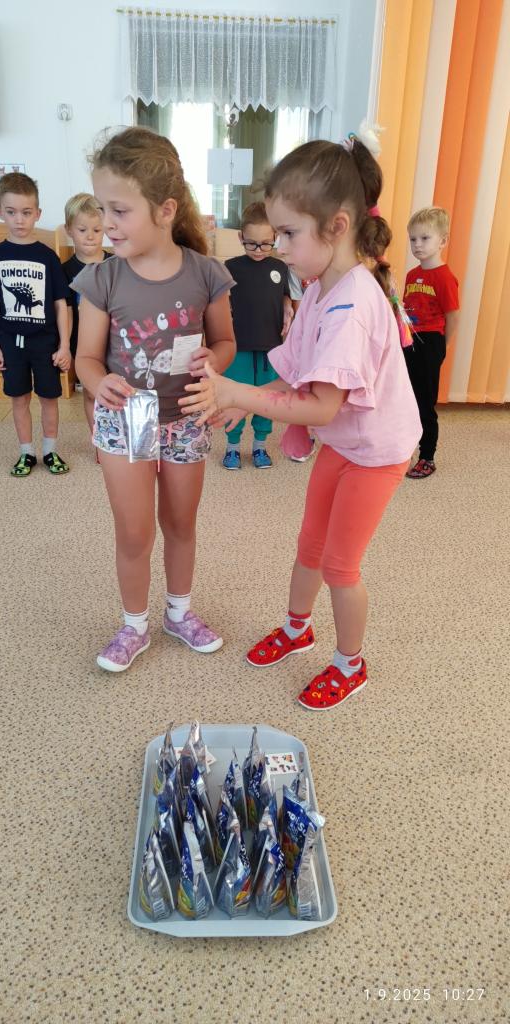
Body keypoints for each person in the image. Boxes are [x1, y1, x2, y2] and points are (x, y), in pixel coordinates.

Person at [181, 129, 422, 711]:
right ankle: (297, 629)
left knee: (340, 565)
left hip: (377, 451)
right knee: (309, 544)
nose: (280, 246)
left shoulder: (352, 306)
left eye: (289, 233)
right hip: (344, 440)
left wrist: (237, 389)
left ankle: (351, 664)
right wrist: (242, 401)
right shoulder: (317, 290)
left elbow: (319, 406)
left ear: (337, 226)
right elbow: (296, 373)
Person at [73, 127, 236, 672]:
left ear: (166, 211)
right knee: (134, 531)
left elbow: (226, 343)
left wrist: (215, 361)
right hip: (127, 420)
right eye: (102, 209)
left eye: (119, 210)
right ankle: (134, 625)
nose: (106, 223)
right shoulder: (101, 278)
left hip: (185, 417)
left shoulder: (207, 273)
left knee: (181, 524)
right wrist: (99, 383)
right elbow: (86, 358)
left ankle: (179, 614)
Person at [0, 172, 71, 476]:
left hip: (45, 343)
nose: (19, 220)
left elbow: (61, 304)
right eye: (11, 212)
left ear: (38, 213)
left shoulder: (48, 257)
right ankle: (26, 453)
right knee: (19, 398)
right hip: (10, 343)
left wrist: (65, 346)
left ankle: (50, 451)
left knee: (49, 397)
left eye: (27, 212)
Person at [222, 202, 292, 469]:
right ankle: (232, 448)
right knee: (236, 397)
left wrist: (287, 304)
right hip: (238, 346)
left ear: (275, 237)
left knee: (267, 400)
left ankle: (260, 446)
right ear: (241, 237)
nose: (259, 250)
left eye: (266, 244)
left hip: (270, 347)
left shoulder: (281, 267)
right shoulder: (229, 267)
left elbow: (286, 295)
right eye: (251, 244)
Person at [402, 207, 459, 478]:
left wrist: (442, 348)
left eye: (425, 238)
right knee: (406, 398)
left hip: (431, 342)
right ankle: (404, 449)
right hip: (409, 340)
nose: (417, 244)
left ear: (442, 241)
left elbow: (453, 316)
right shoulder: (411, 275)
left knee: (425, 402)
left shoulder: (445, 277)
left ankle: (427, 456)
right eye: (413, 239)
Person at [62, 193, 112, 436]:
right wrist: (64, 348)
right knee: (92, 393)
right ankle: (99, 442)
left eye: (97, 229)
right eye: (82, 230)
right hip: (82, 346)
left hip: (116, 344)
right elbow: (64, 312)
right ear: (69, 230)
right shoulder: (64, 271)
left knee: (116, 393)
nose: (90, 236)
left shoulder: (118, 264)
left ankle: (117, 439)